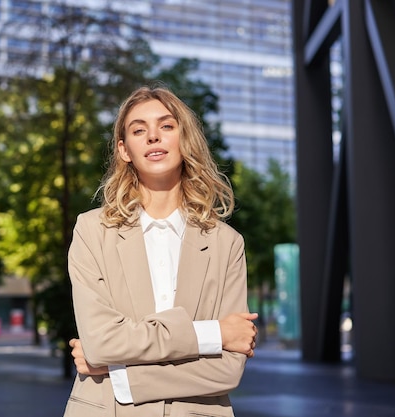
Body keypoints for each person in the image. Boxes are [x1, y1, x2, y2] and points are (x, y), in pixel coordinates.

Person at [63, 85, 258, 417]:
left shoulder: (227, 243)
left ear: (184, 139)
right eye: (139, 130)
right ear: (124, 150)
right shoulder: (92, 230)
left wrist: (118, 372)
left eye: (166, 126)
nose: (153, 136)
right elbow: (102, 343)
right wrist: (214, 333)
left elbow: (227, 369)